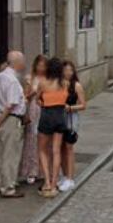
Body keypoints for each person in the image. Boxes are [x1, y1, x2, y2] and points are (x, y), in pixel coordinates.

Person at [0, 51, 28, 197]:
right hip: (10, 119)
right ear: (17, 63)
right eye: (22, 61)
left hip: (0, 116)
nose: (24, 64)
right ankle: (8, 187)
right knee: (10, 154)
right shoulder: (12, 80)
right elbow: (11, 104)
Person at [33, 58, 70, 197]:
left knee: (42, 149)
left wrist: (42, 103)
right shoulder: (65, 83)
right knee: (56, 151)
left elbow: (37, 99)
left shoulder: (43, 83)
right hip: (60, 116)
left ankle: (47, 182)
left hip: (47, 115)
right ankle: (54, 184)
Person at [19, 53, 47, 186]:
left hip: (45, 109)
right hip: (33, 109)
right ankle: (31, 170)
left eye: (44, 65)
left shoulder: (49, 79)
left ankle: (43, 170)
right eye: (39, 65)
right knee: (32, 140)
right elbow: (25, 97)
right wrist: (33, 93)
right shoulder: (30, 78)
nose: (41, 68)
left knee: (45, 140)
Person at [59, 60, 86, 192]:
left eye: (70, 70)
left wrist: (70, 108)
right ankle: (64, 175)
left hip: (71, 119)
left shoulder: (76, 86)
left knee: (69, 147)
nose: (68, 73)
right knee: (61, 147)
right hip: (59, 118)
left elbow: (83, 105)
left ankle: (70, 178)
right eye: (65, 70)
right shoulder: (59, 84)